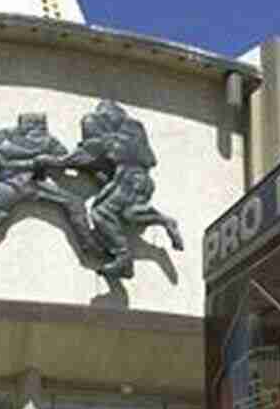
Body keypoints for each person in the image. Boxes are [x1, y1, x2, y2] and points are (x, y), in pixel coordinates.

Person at [44, 99, 183, 279]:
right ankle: (165, 221)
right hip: (141, 181)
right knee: (130, 214)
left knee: (101, 213)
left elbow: (78, 159)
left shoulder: (106, 139)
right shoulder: (133, 136)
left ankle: (123, 256)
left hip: (127, 180)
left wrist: (48, 161)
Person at [0, 112, 97, 252]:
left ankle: (88, 244)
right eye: (36, 127)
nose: (38, 133)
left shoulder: (48, 141)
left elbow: (64, 160)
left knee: (73, 203)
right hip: (9, 185)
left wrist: (60, 160)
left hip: (34, 184)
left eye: (41, 128)